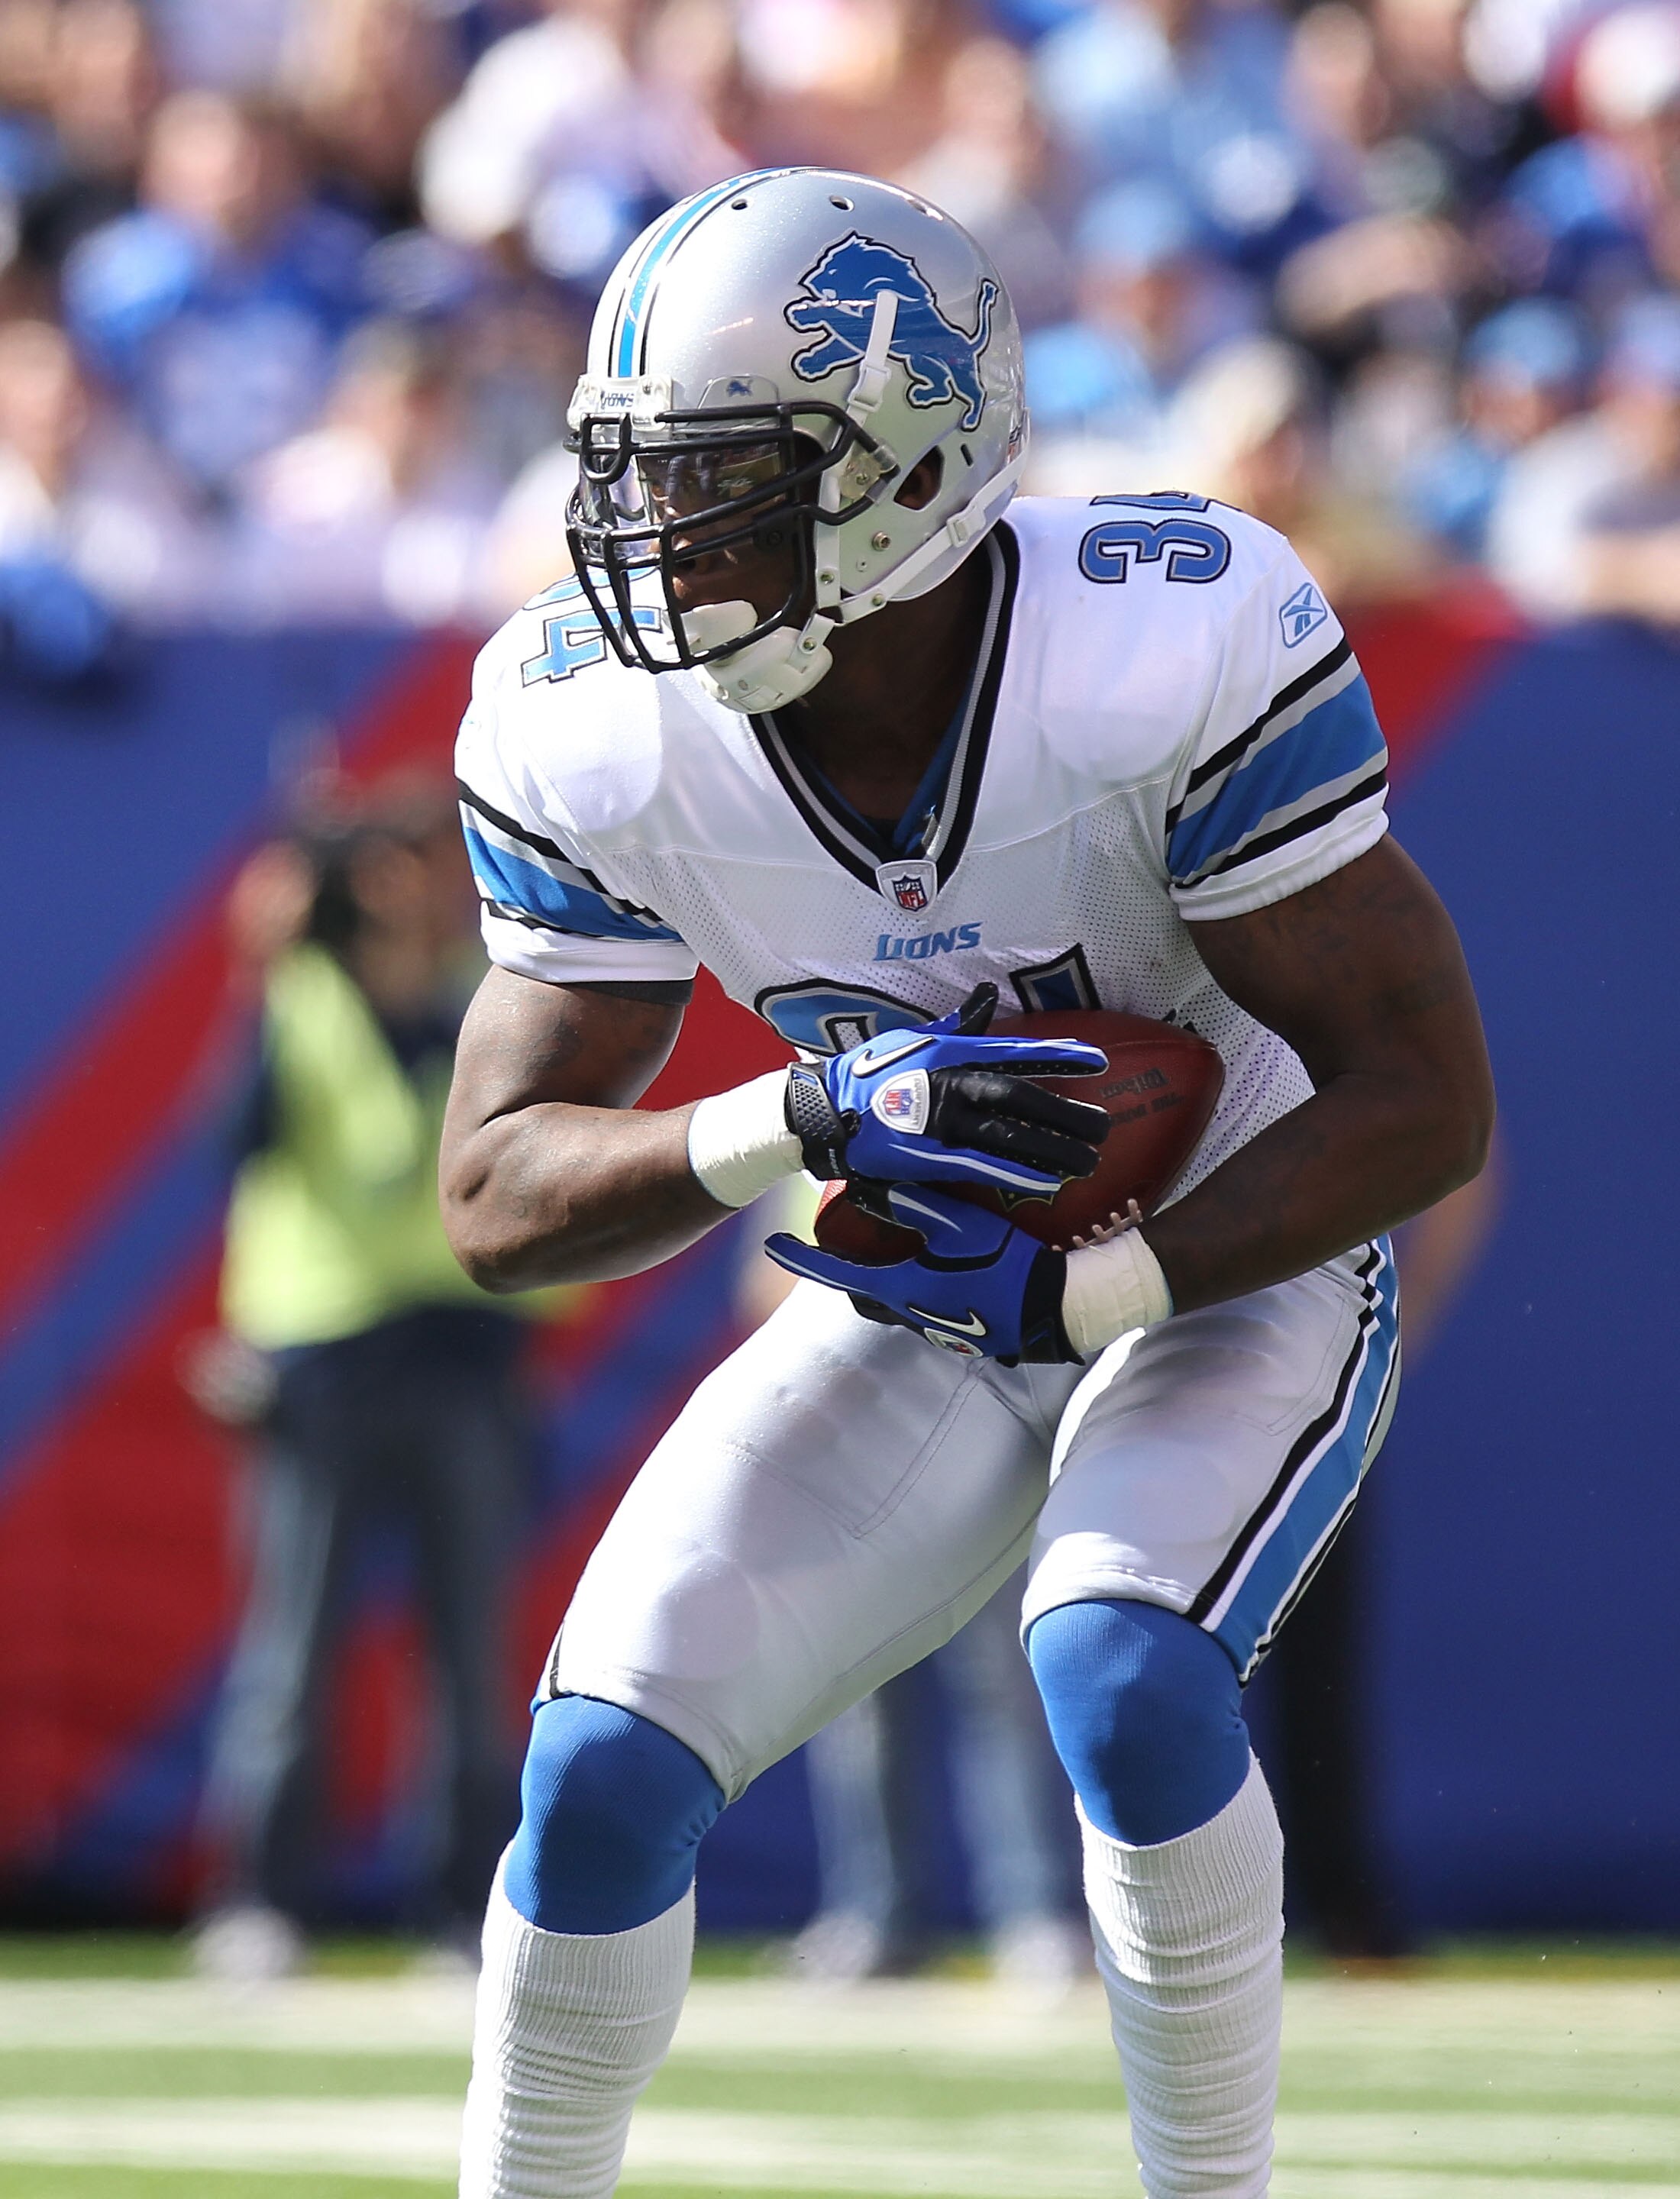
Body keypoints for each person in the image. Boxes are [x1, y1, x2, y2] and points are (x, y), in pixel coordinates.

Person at [439, 168, 1493, 2197]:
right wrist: (802, 1118)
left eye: (723, 481)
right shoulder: (590, 728)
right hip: (925, 1280)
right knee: (596, 1771)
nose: (656, 537)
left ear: (910, 465)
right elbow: (494, 1196)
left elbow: (1418, 1099)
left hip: (1231, 1243)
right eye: (634, 477)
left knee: (1120, 1662)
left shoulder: (1154, 641)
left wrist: (1101, 1291)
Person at [193, 786, 538, 1981]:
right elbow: (229, 1145)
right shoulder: (297, 1001)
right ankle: (261, 1902)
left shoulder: (488, 1001)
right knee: (291, 1653)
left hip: (464, 1361)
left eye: (422, 866)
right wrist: (262, 965)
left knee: (471, 1660)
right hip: (323, 1368)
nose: (409, 891)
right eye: (382, 870)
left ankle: (460, 1906)